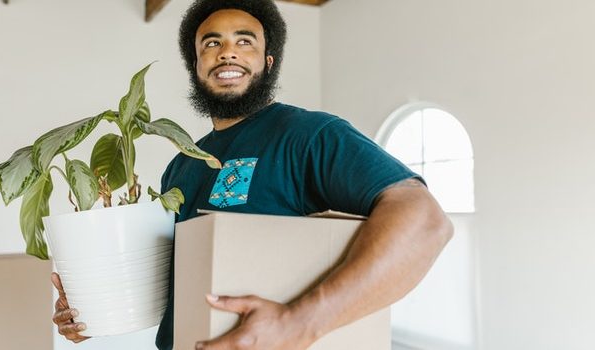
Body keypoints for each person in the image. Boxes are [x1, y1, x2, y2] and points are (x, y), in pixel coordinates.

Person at [52, 0, 453, 349]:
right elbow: (178, 287)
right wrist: (94, 308)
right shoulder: (183, 164)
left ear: (268, 61)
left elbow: (425, 221)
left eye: (245, 41)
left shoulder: (309, 134)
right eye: (212, 43)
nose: (228, 53)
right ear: (196, 65)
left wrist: (300, 325)